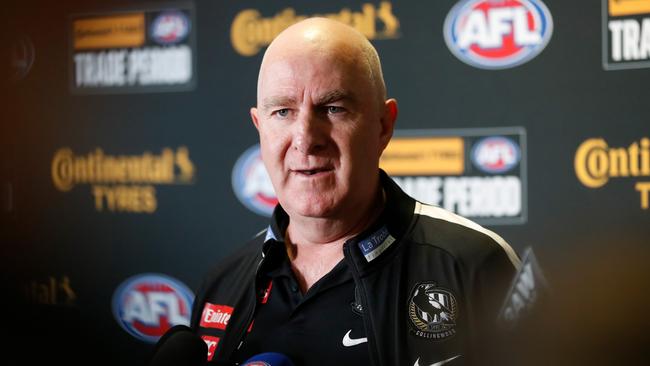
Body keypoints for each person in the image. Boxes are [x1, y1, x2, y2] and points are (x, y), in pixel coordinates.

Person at [190, 18, 520, 366]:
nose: (305, 139)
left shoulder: (474, 265)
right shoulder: (223, 285)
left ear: (383, 125)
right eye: (283, 112)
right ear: (260, 127)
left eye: (332, 108)